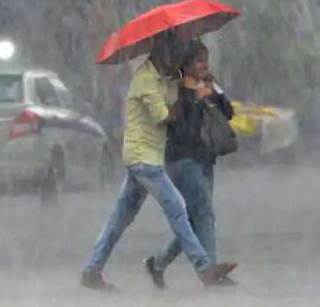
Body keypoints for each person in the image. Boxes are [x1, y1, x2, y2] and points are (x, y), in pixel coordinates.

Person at [80, 33, 236, 292]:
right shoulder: (145, 80)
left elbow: (218, 107)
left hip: (150, 156)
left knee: (118, 221)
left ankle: (91, 271)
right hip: (143, 159)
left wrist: (203, 86)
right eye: (175, 54)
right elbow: (166, 118)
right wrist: (190, 92)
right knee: (177, 209)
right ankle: (204, 268)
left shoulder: (165, 78)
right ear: (163, 53)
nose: (178, 59)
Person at [144, 39, 237, 289]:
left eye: (206, 60)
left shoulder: (209, 84)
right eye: (199, 61)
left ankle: (159, 263)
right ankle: (211, 271)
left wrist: (213, 92)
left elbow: (228, 112)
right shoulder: (175, 88)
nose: (204, 65)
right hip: (182, 159)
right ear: (186, 63)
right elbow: (176, 124)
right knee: (205, 214)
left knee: (195, 221)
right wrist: (193, 97)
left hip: (206, 157)